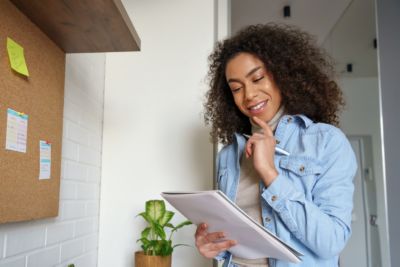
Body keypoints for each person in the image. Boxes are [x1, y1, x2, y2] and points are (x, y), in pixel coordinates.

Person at [195, 23, 357, 267]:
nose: (248, 95)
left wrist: (270, 174)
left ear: (283, 73)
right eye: (237, 88)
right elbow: (236, 233)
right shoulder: (229, 155)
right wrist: (213, 246)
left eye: (258, 78)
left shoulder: (326, 141)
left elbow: (331, 241)